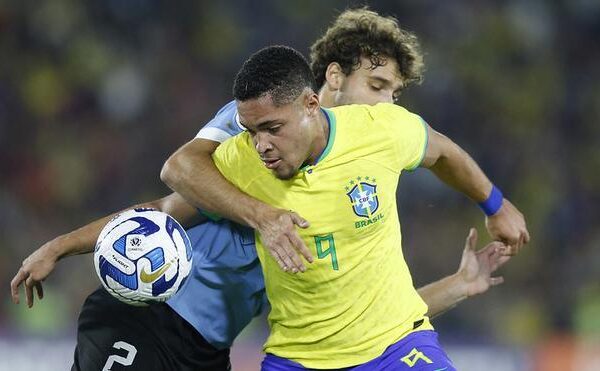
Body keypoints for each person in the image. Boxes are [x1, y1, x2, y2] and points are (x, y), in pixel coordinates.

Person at [10, 8, 518, 371]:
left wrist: (459, 282)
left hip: (210, 347)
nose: (385, 104)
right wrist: (62, 246)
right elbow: (168, 195)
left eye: (394, 95)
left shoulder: (370, 150)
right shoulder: (253, 135)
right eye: (377, 87)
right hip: (151, 315)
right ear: (331, 83)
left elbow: (360, 318)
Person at [206, 44, 524, 370]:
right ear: (333, 78)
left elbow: (443, 151)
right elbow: (180, 176)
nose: (261, 145)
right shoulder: (244, 158)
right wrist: (260, 216)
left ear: (310, 105)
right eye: (376, 85)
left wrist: (495, 206)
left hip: (396, 349)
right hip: (298, 360)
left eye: (272, 129)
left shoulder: (379, 130)